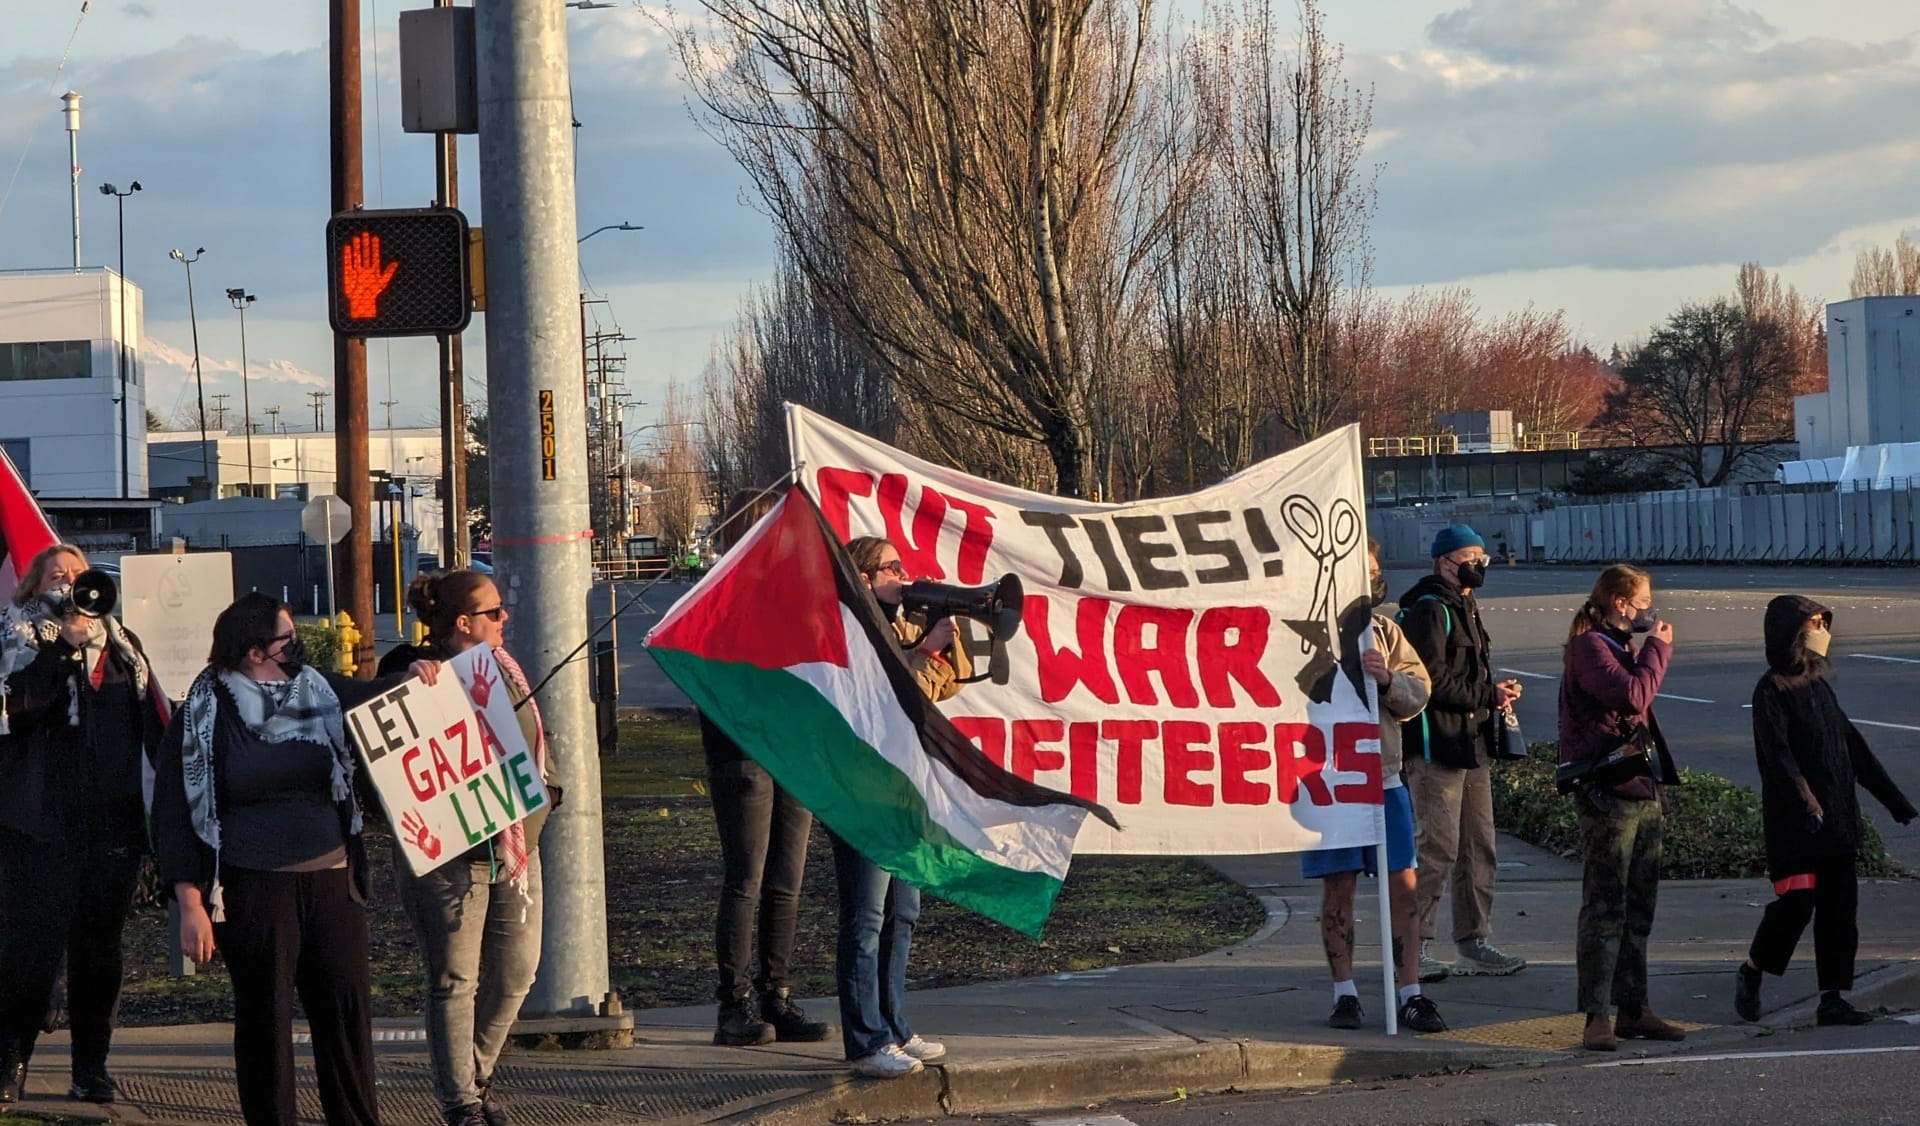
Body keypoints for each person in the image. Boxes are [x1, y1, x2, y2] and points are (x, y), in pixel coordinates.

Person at [151, 592, 441, 1126]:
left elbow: (375, 695)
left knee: (346, 1021)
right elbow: (173, 811)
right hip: (254, 888)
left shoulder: (317, 687)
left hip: (332, 883)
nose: (297, 647)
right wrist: (190, 902)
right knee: (266, 1023)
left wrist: (416, 673)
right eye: (287, 639)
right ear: (254, 651)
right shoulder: (204, 710)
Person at [377, 570, 557, 1126]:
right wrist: (407, 681)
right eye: (494, 611)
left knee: (517, 974)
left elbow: (527, 743)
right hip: (449, 857)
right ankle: (461, 1103)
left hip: (513, 851)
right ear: (463, 623)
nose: (505, 619)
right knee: (456, 980)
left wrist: (548, 791)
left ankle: (473, 1076)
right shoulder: (411, 669)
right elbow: (381, 710)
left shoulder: (504, 669)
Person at [0, 545, 168, 1106]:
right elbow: (16, 708)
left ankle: (90, 1067)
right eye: (57, 573)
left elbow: (150, 721)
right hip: (41, 825)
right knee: (31, 952)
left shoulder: (123, 646)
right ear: (33, 585)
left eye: (78, 571)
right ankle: (10, 1066)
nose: (71, 580)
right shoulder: (20, 636)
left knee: (101, 955)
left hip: (111, 825)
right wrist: (59, 651)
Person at [1734, 595, 1916, 1026]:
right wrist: (1806, 802)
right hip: (1796, 828)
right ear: (1788, 633)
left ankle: (1832, 998)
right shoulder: (1771, 691)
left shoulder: (1818, 686)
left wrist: (1895, 802)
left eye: (1821, 622)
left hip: (1837, 822)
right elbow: (1778, 758)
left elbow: (1853, 748)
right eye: (1812, 623)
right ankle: (1753, 969)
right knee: (1797, 905)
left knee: (1839, 912)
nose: (1821, 630)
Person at [834, 536, 971, 1079]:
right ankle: (865, 1039)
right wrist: (922, 653)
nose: (904, 572)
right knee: (865, 919)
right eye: (893, 566)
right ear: (865, 578)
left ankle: (893, 1025)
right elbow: (880, 697)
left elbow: (947, 685)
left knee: (902, 914)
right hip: (863, 792)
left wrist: (942, 631)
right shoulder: (852, 629)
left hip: (904, 790)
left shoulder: (900, 626)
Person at [1301, 540, 1446, 1034]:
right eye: (1365, 573)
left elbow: (1417, 693)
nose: (1375, 580)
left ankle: (1410, 992)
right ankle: (1345, 993)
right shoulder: (1306, 633)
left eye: (1377, 571)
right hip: (1328, 784)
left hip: (1382, 780)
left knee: (1403, 887)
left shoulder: (1385, 633)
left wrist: (1387, 683)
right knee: (1338, 888)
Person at [703, 491, 831, 1048]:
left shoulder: (796, 596)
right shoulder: (721, 599)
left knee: (787, 882)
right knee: (748, 879)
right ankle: (734, 1006)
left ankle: (776, 995)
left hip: (794, 751)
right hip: (745, 752)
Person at [1557, 564, 1685, 1052]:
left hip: (1639, 787)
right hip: (1607, 791)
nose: (1650, 609)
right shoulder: (1591, 647)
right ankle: (1597, 1016)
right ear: (1619, 603)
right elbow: (1633, 696)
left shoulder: (1617, 645)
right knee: (1605, 906)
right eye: (1643, 600)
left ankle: (1635, 1008)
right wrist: (1658, 647)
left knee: (1638, 907)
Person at [1397, 523, 1526, 981]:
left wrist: (1491, 692)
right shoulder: (1431, 609)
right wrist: (1485, 694)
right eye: (1470, 557)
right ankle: (1416, 946)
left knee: (1478, 846)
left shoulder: (1464, 605)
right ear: (1444, 561)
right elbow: (1427, 679)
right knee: (1438, 847)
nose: (1479, 564)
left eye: (1483, 557)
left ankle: (1473, 942)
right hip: (1437, 746)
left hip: (1471, 744)